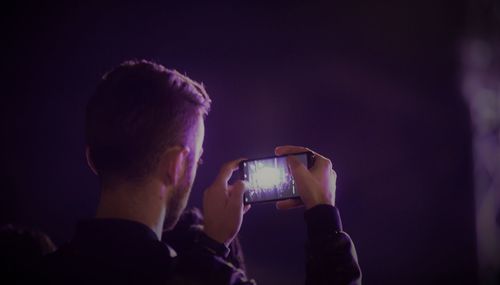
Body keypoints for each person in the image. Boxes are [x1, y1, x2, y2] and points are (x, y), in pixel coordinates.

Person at [41, 60, 361, 284]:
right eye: (197, 159)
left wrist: (212, 247)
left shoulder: (33, 269)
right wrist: (324, 220)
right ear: (176, 165)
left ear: (92, 158)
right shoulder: (210, 278)